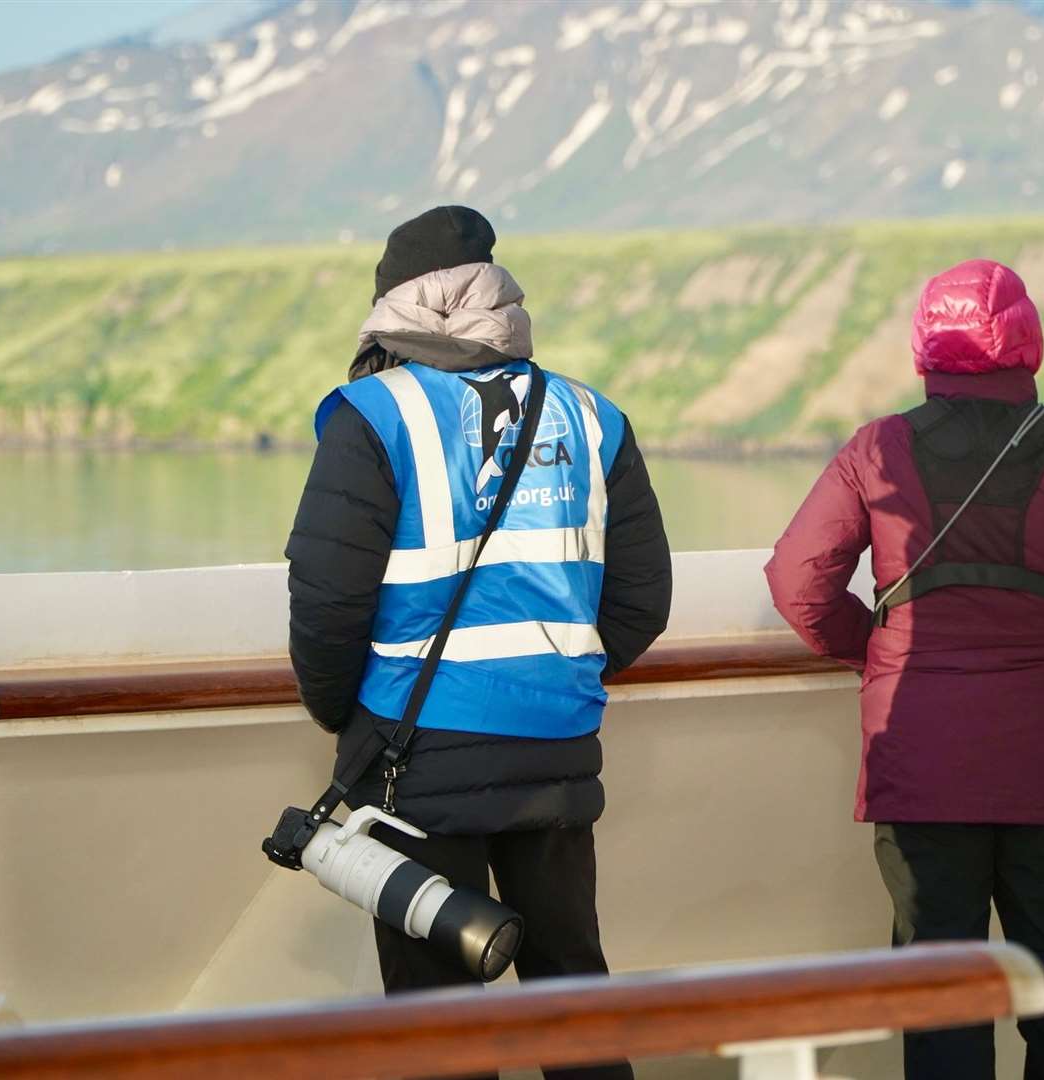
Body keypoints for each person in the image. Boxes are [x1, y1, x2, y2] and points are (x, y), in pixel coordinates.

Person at [286, 206, 671, 1080]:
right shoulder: (591, 415)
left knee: (438, 1019)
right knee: (573, 990)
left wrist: (336, 709)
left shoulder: (372, 415)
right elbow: (642, 598)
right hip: (557, 749)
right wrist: (551, 674)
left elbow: (327, 598)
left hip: (412, 757)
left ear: (393, 310)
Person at [765, 259, 1044, 1080]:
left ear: (924, 347)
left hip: (922, 753)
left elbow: (798, 583)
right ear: (1027, 345)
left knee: (940, 989)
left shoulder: (876, 450)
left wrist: (877, 648)